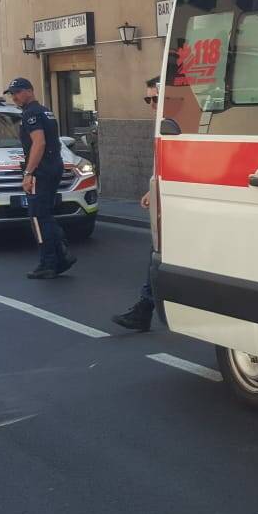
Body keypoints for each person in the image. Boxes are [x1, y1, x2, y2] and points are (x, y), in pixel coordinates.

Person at [6, 77, 74, 280]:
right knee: (44, 214)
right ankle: (60, 256)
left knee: (37, 217)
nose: (14, 97)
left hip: (41, 171)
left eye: (17, 92)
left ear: (29, 91)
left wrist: (28, 173)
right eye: (12, 93)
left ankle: (49, 261)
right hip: (53, 167)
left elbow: (39, 143)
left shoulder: (31, 114)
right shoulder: (46, 111)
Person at [113, 77, 162, 331]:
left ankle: (145, 308)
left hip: (173, 203)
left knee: (158, 256)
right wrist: (151, 188)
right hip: (163, 198)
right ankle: (145, 308)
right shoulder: (163, 123)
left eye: (155, 97)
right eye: (148, 99)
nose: (152, 104)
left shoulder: (176, 121)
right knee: (157, 255)